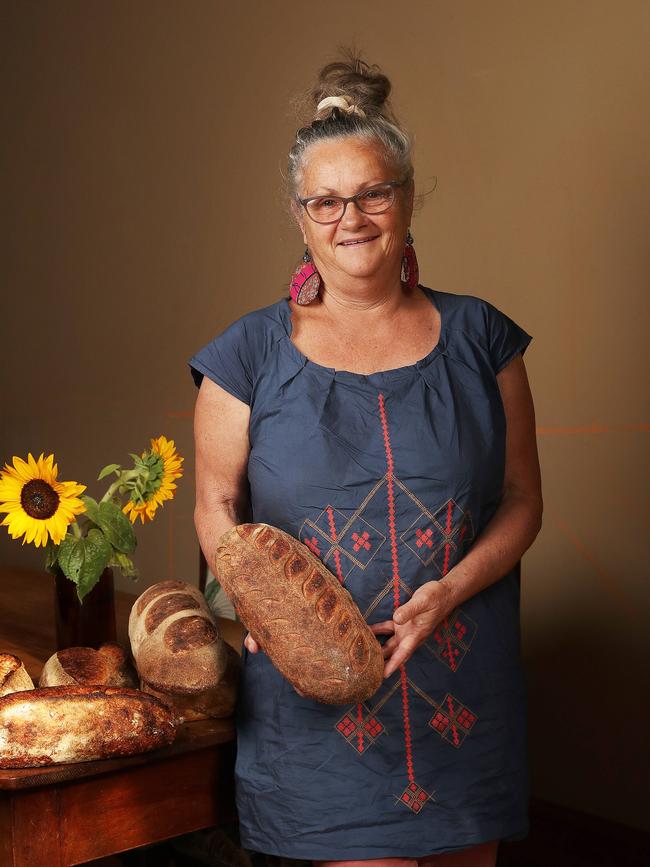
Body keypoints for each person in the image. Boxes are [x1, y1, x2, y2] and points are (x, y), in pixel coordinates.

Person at [190, 54, 542, 867]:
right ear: (300, 216)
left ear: (408, 197)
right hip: (317, 709)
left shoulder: (484, 338)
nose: (352, 218)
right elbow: (215, 508)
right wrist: (254, 605)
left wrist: (449, 589)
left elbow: (524, 498)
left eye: (373, 193)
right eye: (325, 201)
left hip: (464, 695)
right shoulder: (246, 356)